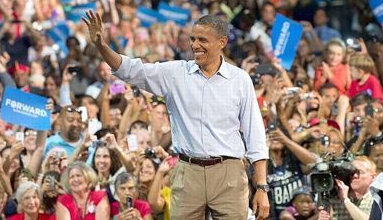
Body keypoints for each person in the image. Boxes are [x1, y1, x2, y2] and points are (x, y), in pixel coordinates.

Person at [84, 11, 269, 219]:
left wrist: (262, 187)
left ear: (222, 42)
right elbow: (130, 70)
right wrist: (101, 45)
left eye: (202, 40)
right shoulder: (175, 73)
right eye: (192, 39)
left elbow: (255, 135)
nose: (195, 45)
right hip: (187, 171)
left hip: (229, 172)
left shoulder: (240, 80)